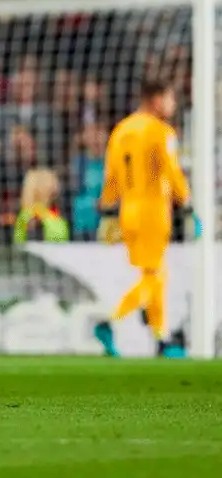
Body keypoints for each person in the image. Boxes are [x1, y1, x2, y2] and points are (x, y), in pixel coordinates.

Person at [94, 78, 192, 358]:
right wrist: (187, 202)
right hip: (152, 210)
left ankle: (161, 339)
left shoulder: (121, 130)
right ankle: (110, 321)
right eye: (170, 98)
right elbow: (172, 170)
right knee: (156, 275)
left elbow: (111, 177)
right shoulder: (160, 131)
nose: (172, 105)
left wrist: (106, 207)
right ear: (157, 99)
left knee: (153, 273)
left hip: (128, 211)